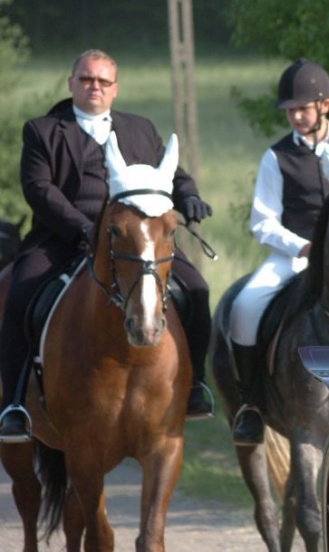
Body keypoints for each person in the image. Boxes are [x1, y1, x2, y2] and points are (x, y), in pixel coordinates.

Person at [0, 49, 214, 442]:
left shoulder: (140, 129)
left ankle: (196, 384)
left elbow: (173, 173)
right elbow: (39, 189)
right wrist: (83, 229)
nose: (93, 87)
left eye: (102, 81)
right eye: (86, 79)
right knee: (17, 298)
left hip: (134, 241)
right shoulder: (43, 130)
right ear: (71, 84)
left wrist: (189, 197)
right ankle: (13, 404)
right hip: (61, 238)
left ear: (115, 89)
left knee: (197, 289)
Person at [228, 58, 329, 445]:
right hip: (293, 256)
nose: (294, 116)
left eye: (302, 108)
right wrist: (304, 246)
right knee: (245, 308)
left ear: (324, 106)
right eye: (290, 110)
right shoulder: (276, 157)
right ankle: (251, 404)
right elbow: (262, 221)